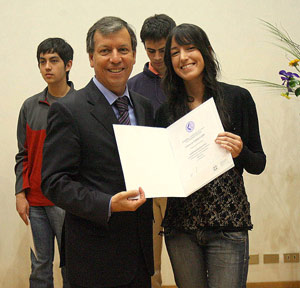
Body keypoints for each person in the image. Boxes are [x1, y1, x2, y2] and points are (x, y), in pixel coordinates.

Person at [41, 16, 154, 288]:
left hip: (139, 256)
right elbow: (54, 182)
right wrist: (107, 204)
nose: (116, 58)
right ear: (91, 58)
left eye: (123, 50)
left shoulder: (145, 107)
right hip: (93, 260)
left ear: (134, 55)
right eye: (105, 51)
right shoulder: (69, 109)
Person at [155, 23, 266, 288]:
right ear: (169, 62)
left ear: (206, 51)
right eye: (175, 52)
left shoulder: (237, 98)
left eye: (190, 48)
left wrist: (240, 152)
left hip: (227, 222)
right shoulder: (166, 111)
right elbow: (162, 172)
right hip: (181, 227)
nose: (183, 57)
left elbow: (259, 164)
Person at [15, 37, 74, 288]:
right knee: (39, 267)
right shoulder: (30, 106)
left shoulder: (80, 104)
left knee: (73, 265)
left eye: (54, 61)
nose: (47, 67)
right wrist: (20, 193)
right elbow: (22, 154)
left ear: (68, 64)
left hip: (68, 203)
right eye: (42, 62)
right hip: (35, 203)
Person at [128, 14, 175, 288]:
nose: (157, 57)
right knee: (151, 263)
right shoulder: (133, 86)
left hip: (183, 183)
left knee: (186, 256)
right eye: (151, 51)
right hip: (147, 185)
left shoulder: (185, 81)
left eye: (163, 50)